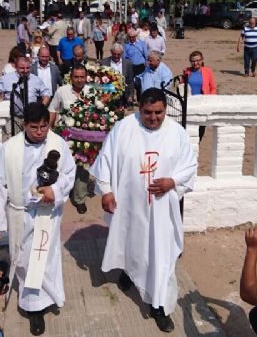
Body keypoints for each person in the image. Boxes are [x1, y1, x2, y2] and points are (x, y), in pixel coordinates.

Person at [90, 88, 197, 333]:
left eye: (159, 112)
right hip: (130, 205)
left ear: (165, 110)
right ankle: (130, 271)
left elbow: (190, 165)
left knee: (161, 254)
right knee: (132, 243)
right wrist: (106, 190)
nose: (153, 118)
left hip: (160, 210)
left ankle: (159, 305)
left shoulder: (176, 133)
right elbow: (106, 160)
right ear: (139, 109)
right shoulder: (124, 128)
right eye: (148, 112)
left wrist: (172, 181)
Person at [0, 102, 76, 335]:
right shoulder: (10, 148)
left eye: (44, 126)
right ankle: (31, 303)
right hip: (20, 213)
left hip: (47, 213)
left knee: (45, 258)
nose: (40, 132)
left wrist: (55, 190)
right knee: (24, 259)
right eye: (34, 127)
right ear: (25, 125)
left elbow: (68, 174)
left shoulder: (57, 144)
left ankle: (41, 304)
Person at [48, 64, 92, 214]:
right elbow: (53, 109)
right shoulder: (62, 91)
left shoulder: (91, 91)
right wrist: (49, 129)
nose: (79, 80)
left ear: (86, 77)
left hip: (86, 137)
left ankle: (79, 198)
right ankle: (60, 193)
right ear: (71, 77)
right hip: (66, 137)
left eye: (82, 77)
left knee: (83, 168)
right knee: (64, 166)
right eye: (76, 77)